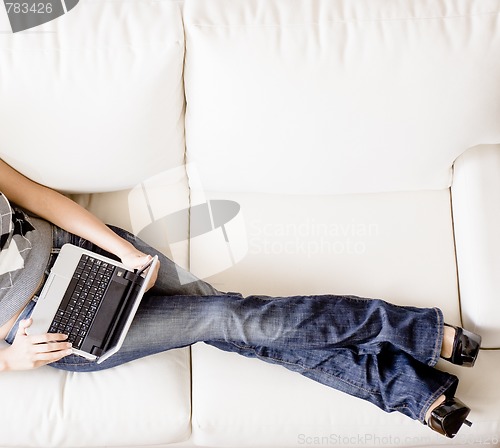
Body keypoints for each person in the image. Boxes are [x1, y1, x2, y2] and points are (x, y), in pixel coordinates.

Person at [0, 158, 482, 439]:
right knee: (230, 317)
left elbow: (39, 199)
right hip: (46, 328)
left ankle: (414, 392)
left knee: (232, 320)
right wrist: (11, 361)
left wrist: (121, 249)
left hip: (82, 250)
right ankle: (413, 333)